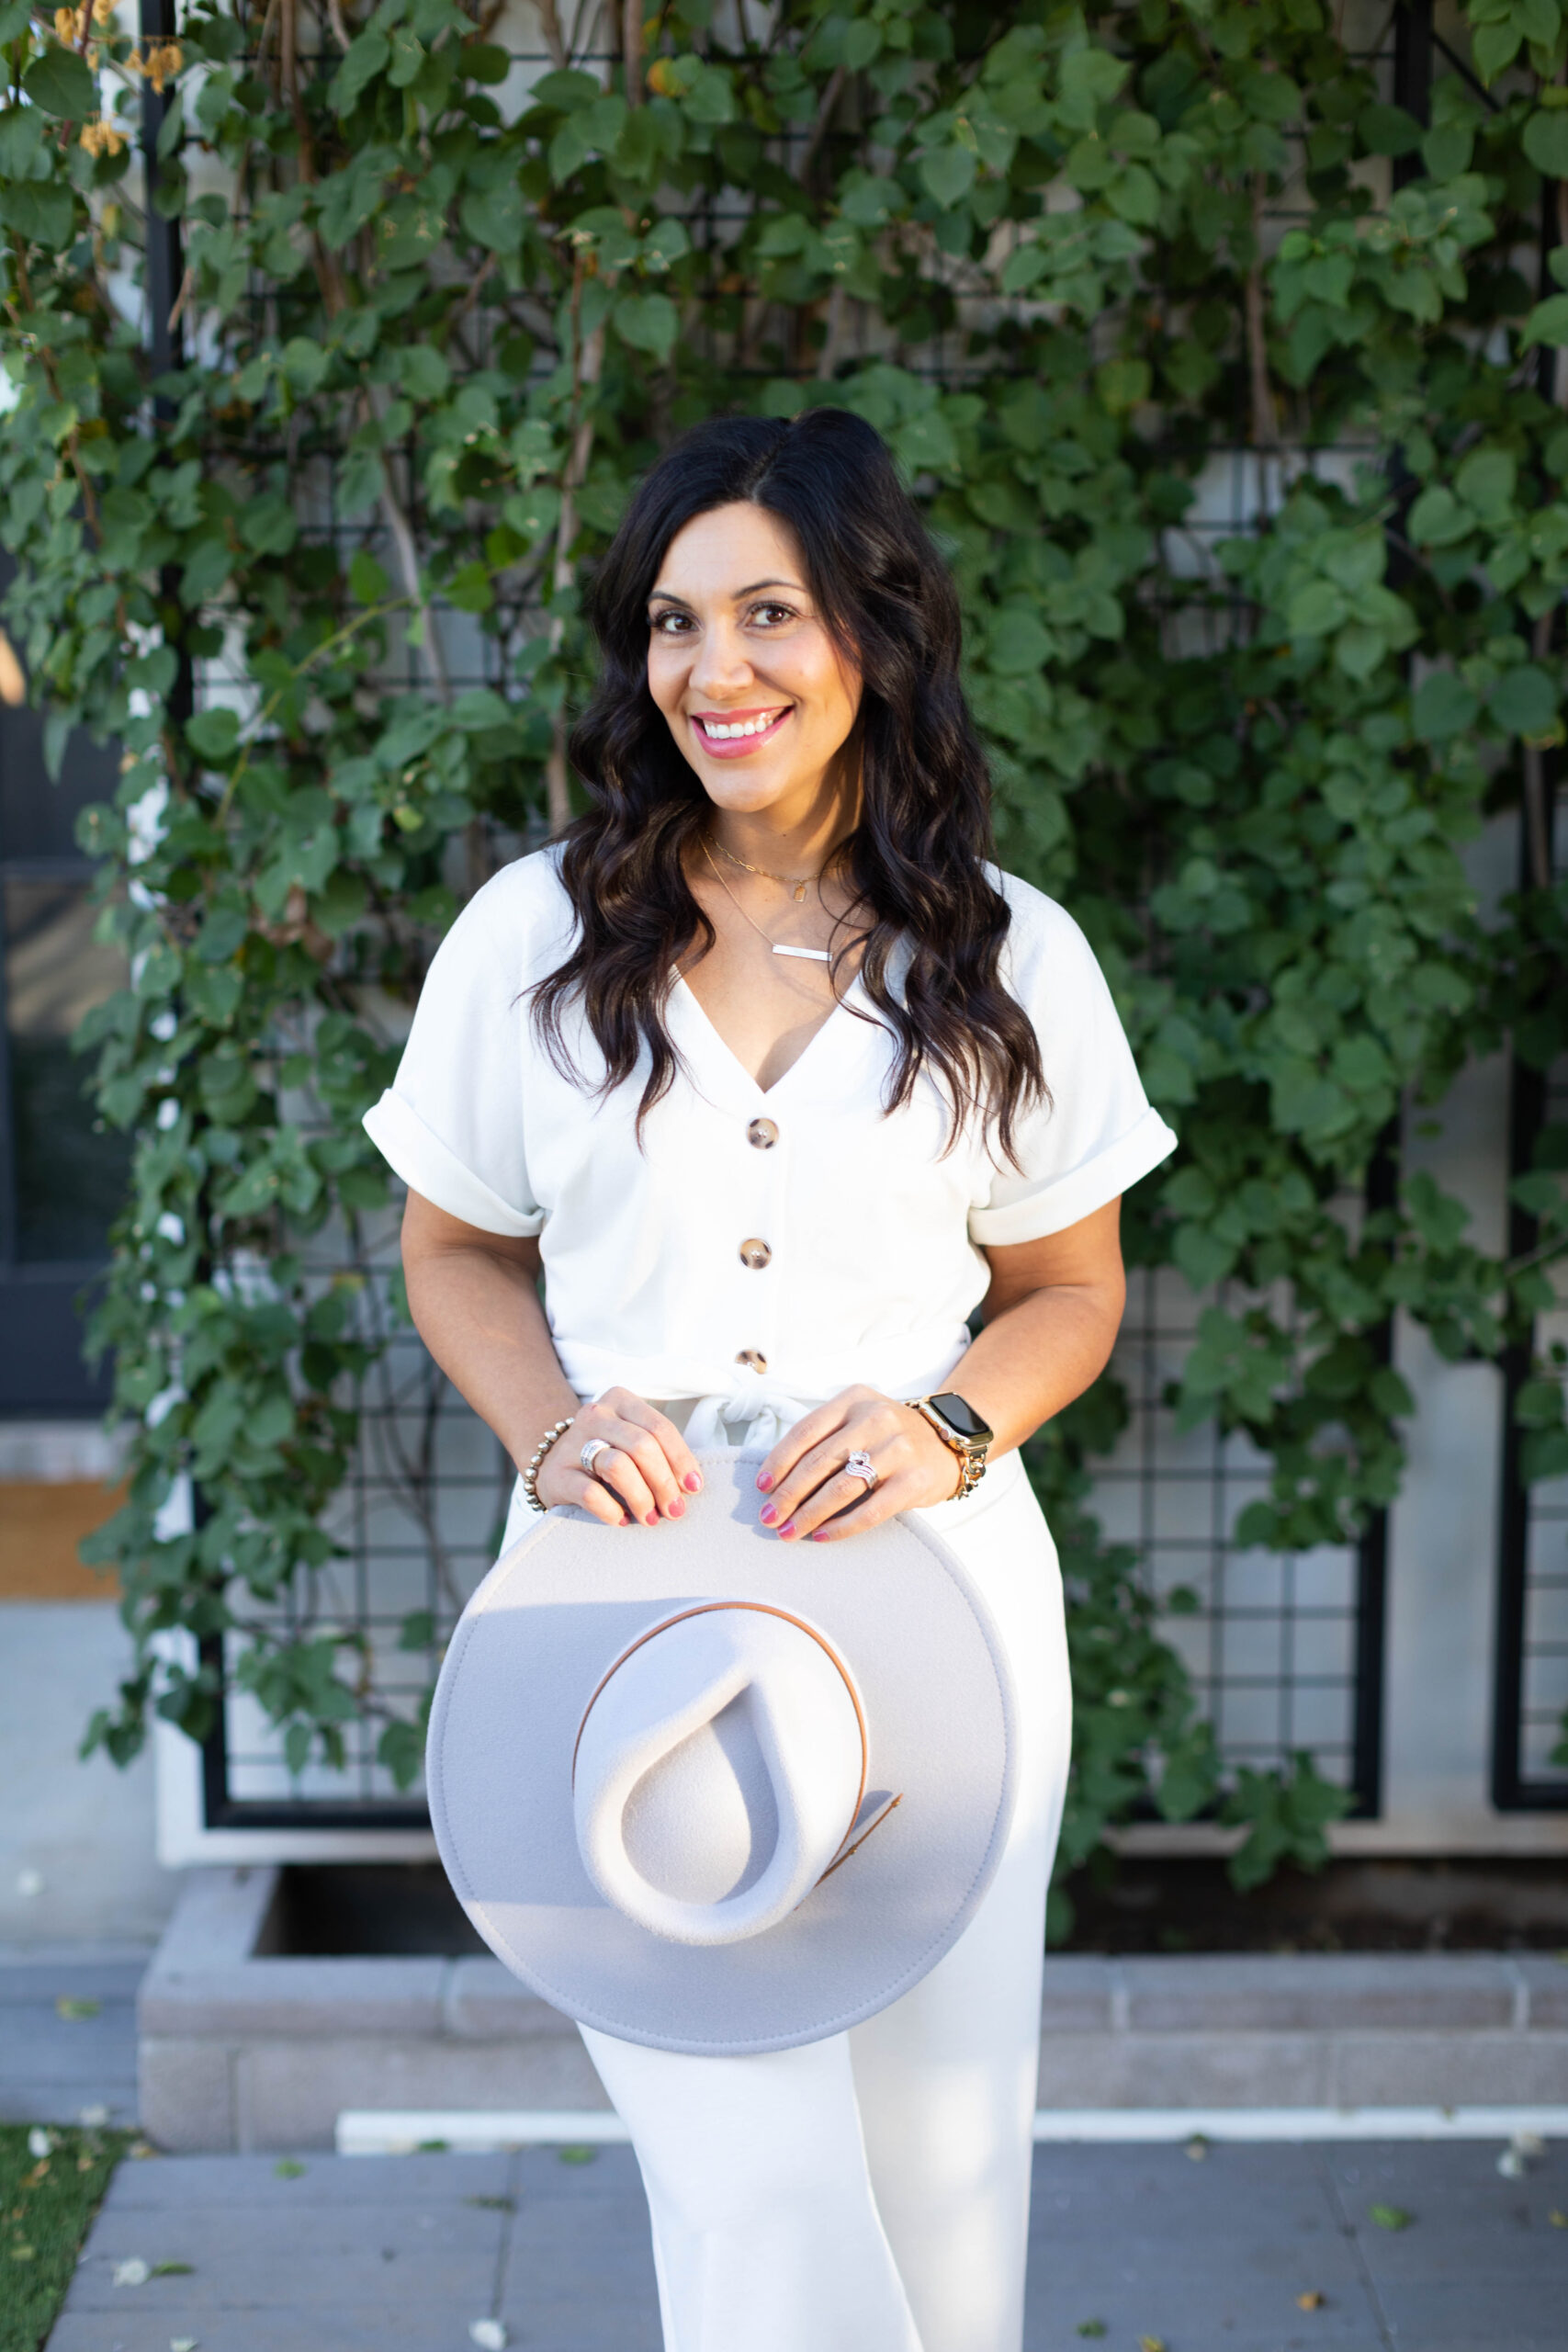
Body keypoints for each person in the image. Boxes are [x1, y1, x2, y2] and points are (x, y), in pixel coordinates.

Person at [363, 408, 1177, 2352]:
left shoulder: (1007, 957)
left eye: (766, 612)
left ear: (870, 634)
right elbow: (449, 1245)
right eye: (669, 620)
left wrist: (947, 1417)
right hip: (613, 1614)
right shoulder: (530, 942)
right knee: (747, 2168)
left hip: (932, 1628)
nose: (711, 669)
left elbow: (1068, 1290)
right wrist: (552, 1424)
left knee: (934, 2158)